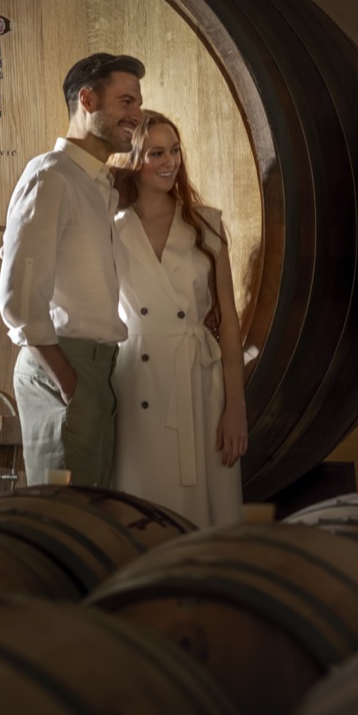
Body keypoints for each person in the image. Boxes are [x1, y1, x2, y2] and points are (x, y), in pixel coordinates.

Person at [0, 53, 146, 487]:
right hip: (64, 362)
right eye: (126, 102)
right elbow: (19, 298)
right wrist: (69, 381)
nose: (136, 115)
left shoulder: (95, 183)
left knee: (91, 512)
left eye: (137, 104)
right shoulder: (51, 177)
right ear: (87, 99)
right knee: (63, 520)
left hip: (97, 367)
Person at [106, 111, 246, 526]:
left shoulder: (206, 223)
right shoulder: (111, 227)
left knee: (205, 510)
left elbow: (231, 321)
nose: (171, 161)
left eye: (175, 150)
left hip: (198, 384)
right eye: (156, 153)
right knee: (139, 501)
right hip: (133, 380)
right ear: (134, 161)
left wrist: (236, 407)